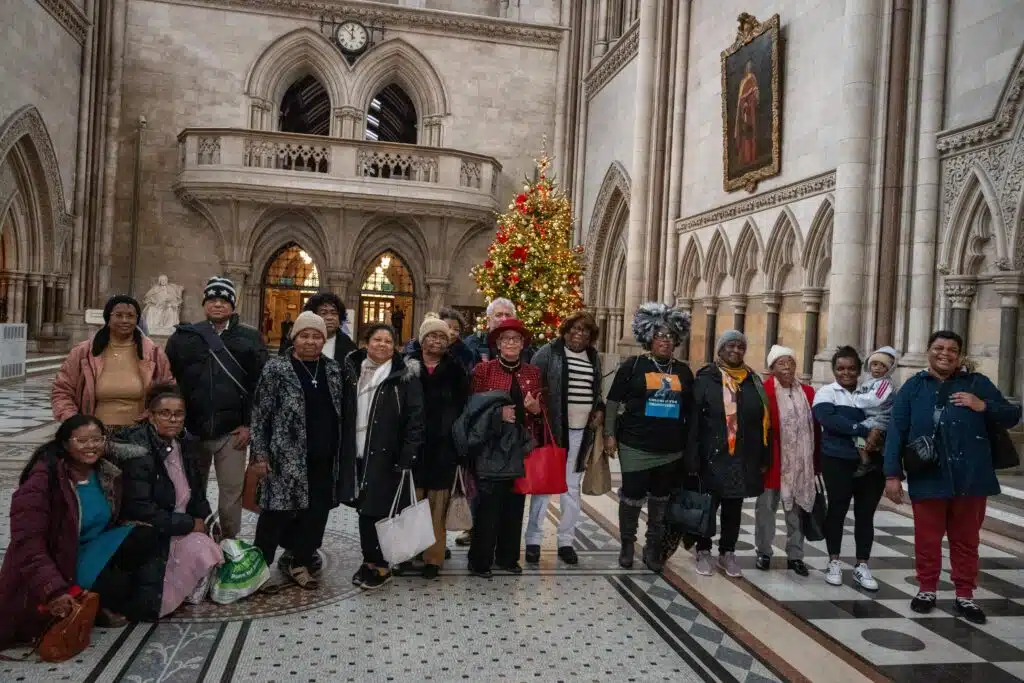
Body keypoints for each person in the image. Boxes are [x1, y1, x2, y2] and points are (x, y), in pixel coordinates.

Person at [883, 330, 1022, 624]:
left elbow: (1011, 415)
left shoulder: (977, 383)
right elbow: (896, 431)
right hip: (928, 475)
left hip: (971, 476)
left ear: (960, 355)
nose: (944, 353)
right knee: (927, 539)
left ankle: (964, 594)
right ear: (928, 351)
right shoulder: (914, 388)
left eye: (951, 350)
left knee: (966, 540)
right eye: (938, 348)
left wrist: (982, 405)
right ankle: (927, 590)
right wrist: (892, 474)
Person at [0, 415, 156, 647]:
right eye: (81, 441)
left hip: (92, 547)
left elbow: (134, 453)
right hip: (60, 559)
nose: (91, 446)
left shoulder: (104, 472)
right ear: (65, 443)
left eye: (97, 439)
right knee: (118, 586)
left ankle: (100, 600)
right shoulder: (43, 480)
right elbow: (28, 544)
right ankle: (90, 599)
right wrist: (53, 589)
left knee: (146, 536)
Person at [249, 312, 353, 590]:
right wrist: (259, 456)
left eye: (316, 336)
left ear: (324, 339)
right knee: (275, 515)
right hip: (284, 457)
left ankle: (300, 563)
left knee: (315, 514)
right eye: (304, 335)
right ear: (294, 338)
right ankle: (258, 571)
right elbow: (260, 415)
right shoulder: (276, 368)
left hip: (323, 457)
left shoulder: (332, 370)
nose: (310, 341)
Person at [165, 276, 268, 540]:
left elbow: (260, 386)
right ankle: (194, 545)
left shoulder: (250, 338)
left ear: (233, 305)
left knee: (230, 497)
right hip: (192, 431)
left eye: (224, 300)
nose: (218, 305)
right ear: (204, 304)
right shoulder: (184, 338)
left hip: (231, 432)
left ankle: (230, 545)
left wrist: (249, 424)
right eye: (212, 299)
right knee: (190, 492)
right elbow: (169, 381)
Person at [110, 385, 223, 619]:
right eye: (165, 413)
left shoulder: (185, 444)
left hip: (179, 522)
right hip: (151, 531)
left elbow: (197, 492)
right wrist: (189, 525)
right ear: (150, 416)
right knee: (155, 596)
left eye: (179, 414)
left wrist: (205, 521)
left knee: (210, 550)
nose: (173, 419)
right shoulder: (137, 451)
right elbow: (140, 508)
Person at [604, 303, 693, 572]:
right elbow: (612, 402)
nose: (665, 341)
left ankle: (652, 546)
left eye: (669, 336)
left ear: (677, 339)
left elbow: (691, 410)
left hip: (670, 449)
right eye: (659, 335)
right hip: (635, 445)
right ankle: (627, 545)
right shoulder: (633, 366)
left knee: (660, 500)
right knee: (631, 498)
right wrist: (609, 434)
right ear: (648, 337)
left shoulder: (683, 371)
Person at [345, 323, 424, 590]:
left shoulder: (404, 376)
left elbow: (416, 418)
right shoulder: (352, 371)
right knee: (364, 507)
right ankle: (371, 560)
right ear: (366, 342)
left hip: (387, 453)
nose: (382, 345)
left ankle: (380, 563)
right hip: (357, 450)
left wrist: (407, 455)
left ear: (396, 347)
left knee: (377, 510)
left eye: (388, 341)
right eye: (377, 339)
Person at [687, 330, 770, 578]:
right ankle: (703, 550)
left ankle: (727, 552)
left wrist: (764, 456)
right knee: (708, 506)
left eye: (740, 347)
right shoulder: (707, 377)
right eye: (730, 346)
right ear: (720, 350)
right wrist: (692, 457)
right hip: (712, 454)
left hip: (742, 456)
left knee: (734, 506)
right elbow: (693, 421)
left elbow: (764, 421)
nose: (735, 351)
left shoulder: (752, 380)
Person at [465, 318, 543, 578]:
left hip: (520, 449)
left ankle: (508, 557)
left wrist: (535, 410)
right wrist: (497, 416)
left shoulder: (532, 373)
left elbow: (542, 413)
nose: (511, 343)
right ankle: (479, 561)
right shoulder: (483, 371)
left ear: (523, 344)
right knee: (488, 506)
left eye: (516, 339)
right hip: (490, 447)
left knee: (514, 504)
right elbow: (472, 410)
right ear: (497, 344)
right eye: (505, 339)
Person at [526, 311, 604, 566]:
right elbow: (532, 385)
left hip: (581, 433)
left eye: (585, 331)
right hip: (553, 431)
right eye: (575, 329)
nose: (579, 334)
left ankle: (566, 541)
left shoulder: (593, 357)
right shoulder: (549, 353)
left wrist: (598, 410)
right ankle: (534, 540)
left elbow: (596, 391)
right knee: (544, 487)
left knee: (571, 488)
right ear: (566, 329)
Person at [403, 315, 470, 578]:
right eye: (432, 335)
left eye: (442, 337)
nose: (437, 340)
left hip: (444, 448)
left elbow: (464, 409)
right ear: (422, 339)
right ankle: (410, 552)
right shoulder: (408, 367)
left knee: (437, 506)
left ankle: (433, 557)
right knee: (412, 504)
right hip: (414, 446)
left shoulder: (456, 370)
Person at [813, 346, 885, 590]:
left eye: (852, 368)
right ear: (834, 370)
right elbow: (829, 420)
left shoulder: (870, 392)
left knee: (866, 514)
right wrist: (862, 429)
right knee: (837, 510)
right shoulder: (826, 392)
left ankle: (862, 565)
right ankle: (833, 561)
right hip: (837, 460)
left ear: (859, 370)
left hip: (871, 463)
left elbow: (886, 415)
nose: (846, 373)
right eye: (841, 368)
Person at [52, 295, 174, 433]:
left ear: (137, 319)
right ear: (108, 318)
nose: (125, 320)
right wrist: (74, 421)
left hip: (141, 434)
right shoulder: (83, 353)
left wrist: (154, 417)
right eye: (119, 315)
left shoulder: (153, 354)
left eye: (130, 316)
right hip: (95, 435)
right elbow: (62, 390)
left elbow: (168, 391)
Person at [754, 345, 819, 577]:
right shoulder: (763, 391)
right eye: (781, 363)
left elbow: (817, 430)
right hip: (771, 462)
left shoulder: (808, 393)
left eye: (790, 362)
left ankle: (795, 555)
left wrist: (816, 463)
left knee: (797, 511)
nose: (787, 367)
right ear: (771, 369)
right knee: (766, 509)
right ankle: (763, 551)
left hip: (801, 463)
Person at [851, 346, 898, 478]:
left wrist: (855, 399)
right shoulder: (868, 381)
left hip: (881, 418)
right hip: (870, 417)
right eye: (875, 364)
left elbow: (875, 399)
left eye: (882, 366)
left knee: (857, 434)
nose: (877, 368)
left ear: (888, 369)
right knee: (858, 438)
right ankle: (868, 455)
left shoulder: (885, 383)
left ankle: (866, 460)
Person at [278, 292, 357, 363]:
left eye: (334, 313)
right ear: (313, 316)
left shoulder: (349, 346)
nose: (330, 317)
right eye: (323, 313)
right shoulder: (295, 342)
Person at [403, 307, 476, 374]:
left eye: (456, 329)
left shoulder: (464, 354)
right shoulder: (414, 348)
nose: (452, 332)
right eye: (447, 326)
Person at [734, 59, 759, 166]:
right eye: (747, 66)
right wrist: (743, 103)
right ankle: (745, 157)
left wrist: (750, 98)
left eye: (751, 65)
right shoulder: (743, 81)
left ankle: (751, 156)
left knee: (750, 131)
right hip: (743, 109)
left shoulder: (752, 77)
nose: (749, 67)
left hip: (750, 109)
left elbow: (755, 91)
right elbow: (740, 98)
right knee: (744, 132)